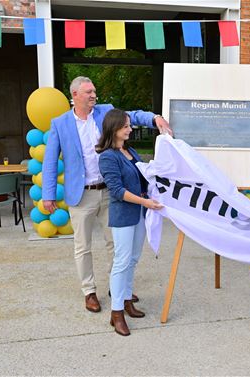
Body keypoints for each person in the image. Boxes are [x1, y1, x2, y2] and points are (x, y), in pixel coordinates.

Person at [42, 76, 171, 313]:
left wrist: (154, 117)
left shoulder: (105, 112)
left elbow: (131, 115)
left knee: (116, 244)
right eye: (88, 92)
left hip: (111, 192)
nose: (93, 95)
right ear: (75, 96)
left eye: (94, 91)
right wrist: (48, 194)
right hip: (81, 195)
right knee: (83, 246)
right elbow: (50, 161)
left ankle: (118, 289)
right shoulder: (60, 124)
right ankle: (89, 291)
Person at [97, 109, 163, 336]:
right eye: (126, 126)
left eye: (129, 125)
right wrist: (145, 203)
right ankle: (116, 314)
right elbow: (116, 191)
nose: (130, 128)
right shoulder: (107, 156)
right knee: (121, 261)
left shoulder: (130, 151)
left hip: (139, 214)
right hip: (124, 216)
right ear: (114, 129)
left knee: (133, 259)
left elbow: (142, 178)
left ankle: (126, 301)